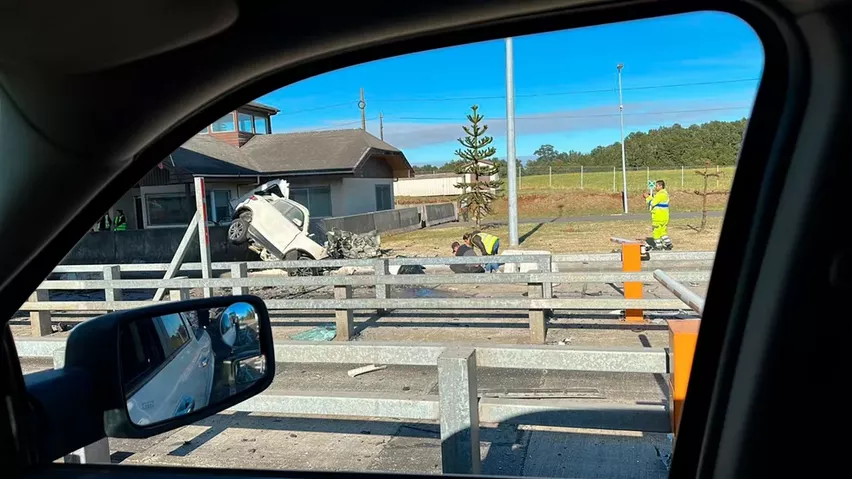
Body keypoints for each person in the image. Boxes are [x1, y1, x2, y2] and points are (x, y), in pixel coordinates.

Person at [643, 179, 673, 250]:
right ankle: (668, 244)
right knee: (663, 232)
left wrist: (647, 197)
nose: (655, 187)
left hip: (658, 216)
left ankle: (658, 246)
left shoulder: (660, 194)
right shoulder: (665, 194)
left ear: (660, 186)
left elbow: (653, 203)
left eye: (656, 186)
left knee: (656, 232)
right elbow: (656, 201)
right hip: (665, 216)